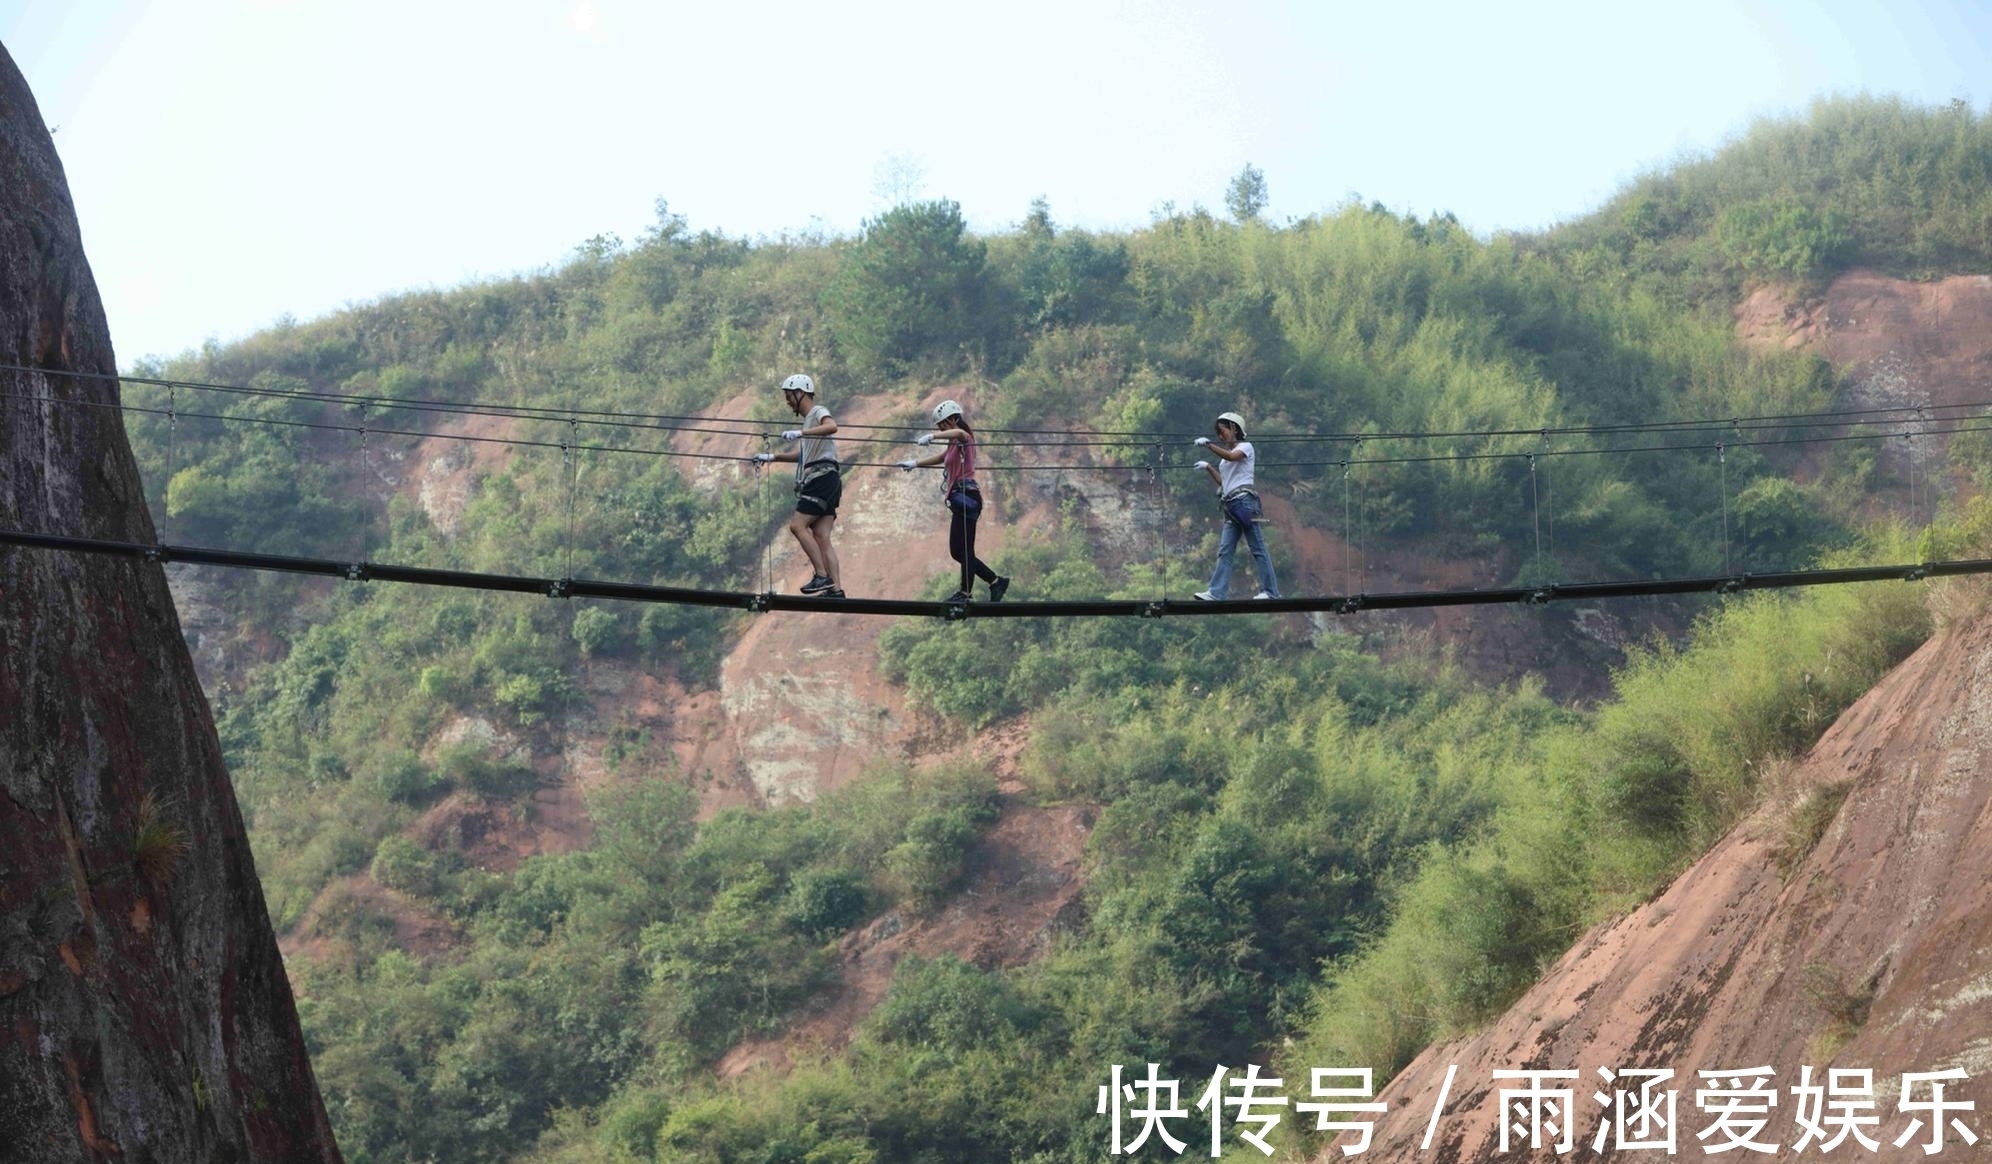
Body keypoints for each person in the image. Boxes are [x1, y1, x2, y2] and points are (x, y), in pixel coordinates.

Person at [897, 399, 1010, 603]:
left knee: (965, 549)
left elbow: (959, 433)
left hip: (967, 496)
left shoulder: (964, 437)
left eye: (943, 424)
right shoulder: (953, 445)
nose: (940, 428)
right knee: (957, 551)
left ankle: (965, 593)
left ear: (954, 419)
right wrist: (915, 463)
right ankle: (995, 581)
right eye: (938, 426)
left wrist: (932, 436)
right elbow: (942, 458)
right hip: (959, 499)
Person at [752, 373, 844, 598]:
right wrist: (772, 457)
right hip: (829, 480)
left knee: (797, 526)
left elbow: (832, 426)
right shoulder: (808, 423)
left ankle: (822, 575)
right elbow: (803, 456)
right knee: (821, 535)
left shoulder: (816, 412)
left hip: (820, 479)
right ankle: (836, 589)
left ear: (800, 392)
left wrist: (800, 432)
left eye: (789, 395)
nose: (788, 400)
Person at [1191, 410, 1279, 600]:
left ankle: (1271, 592)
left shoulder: (1246, 447)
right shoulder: (1224, 458)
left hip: (1245, 502)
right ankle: (1216, 592)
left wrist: (1209, 445)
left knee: (1257, 547)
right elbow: (1224, 483)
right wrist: (1208, 467)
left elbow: (1233, 457)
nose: (1220, 436)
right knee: (1225, 551)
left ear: (1233, 428)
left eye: (1222, 431)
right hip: (1231, 505)